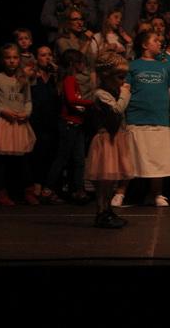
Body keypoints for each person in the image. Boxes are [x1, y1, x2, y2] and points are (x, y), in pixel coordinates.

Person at [112, 31, 170, 207]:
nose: (159, 43)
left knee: (157, 159)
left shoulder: (165, 67)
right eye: (155, 40)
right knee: (131, 159)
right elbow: (125, 90)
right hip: (137, 119)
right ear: (145, 45)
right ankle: (120, 192)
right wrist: (119, 110)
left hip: (159, 120)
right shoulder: (133, 66)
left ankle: (157, 194)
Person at [0, 44, 37, 205]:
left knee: (23, 160)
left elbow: (28, 100)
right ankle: (1, 193)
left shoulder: (23, 79)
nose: (12, 61)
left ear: (19, 59)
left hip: (19, 124)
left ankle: (27, 192)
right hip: (3, 124)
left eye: (15, 57)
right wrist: (2, 111)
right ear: (2, 60)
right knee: (1, 161)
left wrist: (26, 113)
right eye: (8, 58)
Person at [86, 51, 134, 228]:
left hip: (116, 138)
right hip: (106, 140)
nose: (123, 82)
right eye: (120, 77)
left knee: (111, 180)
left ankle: (107, 209)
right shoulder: (101, 94)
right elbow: (116, 110)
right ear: (107, 76)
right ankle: (101, 211)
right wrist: (125, 94)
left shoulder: (113, 92)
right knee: (104, 180)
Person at [44, 49, 93, 205]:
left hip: (76, 123)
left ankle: (79, 191)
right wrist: (91, 103)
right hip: (69, 123)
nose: (83, 65)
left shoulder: (71, 79)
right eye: (80, 62)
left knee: (79, 160)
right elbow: (72, 99)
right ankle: (47, 189)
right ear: (73, 64)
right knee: (63, 158)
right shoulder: (69, 79)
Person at [28, 46, 60, 203]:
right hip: (36, 121)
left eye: (49, 54)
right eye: (43, 55)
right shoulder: (33, 75)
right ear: (36, 58)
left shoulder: (54, 76)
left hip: (52, 121)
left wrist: (58, 75)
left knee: (50, 154)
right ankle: (35, 187)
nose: (47, 58)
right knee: (37, 154)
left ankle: (46, 188)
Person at [54, 8, 97, 100]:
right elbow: (74, 60)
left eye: (81, 19)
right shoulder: (62, 41)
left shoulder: (83, 41)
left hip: (88, 86)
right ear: (67, 22)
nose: (80, 23)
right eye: (75, 19)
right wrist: (87, 42)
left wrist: (94, 87)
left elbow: (91, 66)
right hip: (74, 86)